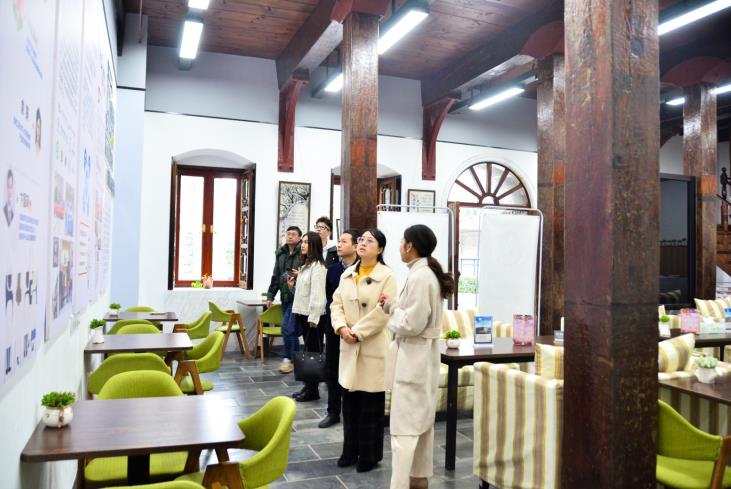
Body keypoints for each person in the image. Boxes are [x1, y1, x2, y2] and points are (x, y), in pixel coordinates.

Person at [380, 225, 455, 489]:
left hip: (414, 358)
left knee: (403, 433)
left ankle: (402, 484)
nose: (400, 247)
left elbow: (412, 323)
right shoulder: (423, 274)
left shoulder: (421, 277)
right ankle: (418, 479)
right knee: (421, 427)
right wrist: (394, 305)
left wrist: (391, 310)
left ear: (410, 245)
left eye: (402, 242)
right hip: (421, 357)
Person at [331, 228, 397, 473]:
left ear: (380, 249)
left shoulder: (387, 276)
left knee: (370, 406)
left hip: (371, 344)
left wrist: (357, 332)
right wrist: (341, 328)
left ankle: (369, 455)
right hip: (348, 344)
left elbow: (384, 312)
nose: (363, 243)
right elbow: (336, 305)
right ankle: (349, 451)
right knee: (350, 404)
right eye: (361, 239)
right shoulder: (347, 274)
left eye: (370, 241)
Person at [318, 228, 360, 428]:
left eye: (344, 241)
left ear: (355, 246)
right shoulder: (333, 269)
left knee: (352, 369)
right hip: (334, 325)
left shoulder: (362, 270)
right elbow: (330, 297)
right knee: (331, 367)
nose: (339, 245)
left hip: (354, 328)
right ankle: (333, 411)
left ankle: (351, 411)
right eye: (339, 241)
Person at [288, 231, 327, 401]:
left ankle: (313, 390)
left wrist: (314, 317)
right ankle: (308, 387)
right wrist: (292, 287)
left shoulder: (318, 267)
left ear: (314, 245)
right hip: (305, 314)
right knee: (309, 352)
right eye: (302, 242)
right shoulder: (306, 265)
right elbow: (305, 293)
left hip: (313, 317)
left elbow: (318, 295)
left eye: (306, 242)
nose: (302, 245)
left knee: (313, 354)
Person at [266, 226, 302, 374]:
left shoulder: (303, 253)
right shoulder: (280, 253)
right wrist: (270, 296)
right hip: (285, 297)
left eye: (293, 234)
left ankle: (288, 359)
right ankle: (297, 361)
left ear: (299, 238)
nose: (290, 236)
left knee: (287, 328)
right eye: (288, 234)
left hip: (298, 298)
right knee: (291, 331)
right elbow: (276, 276)